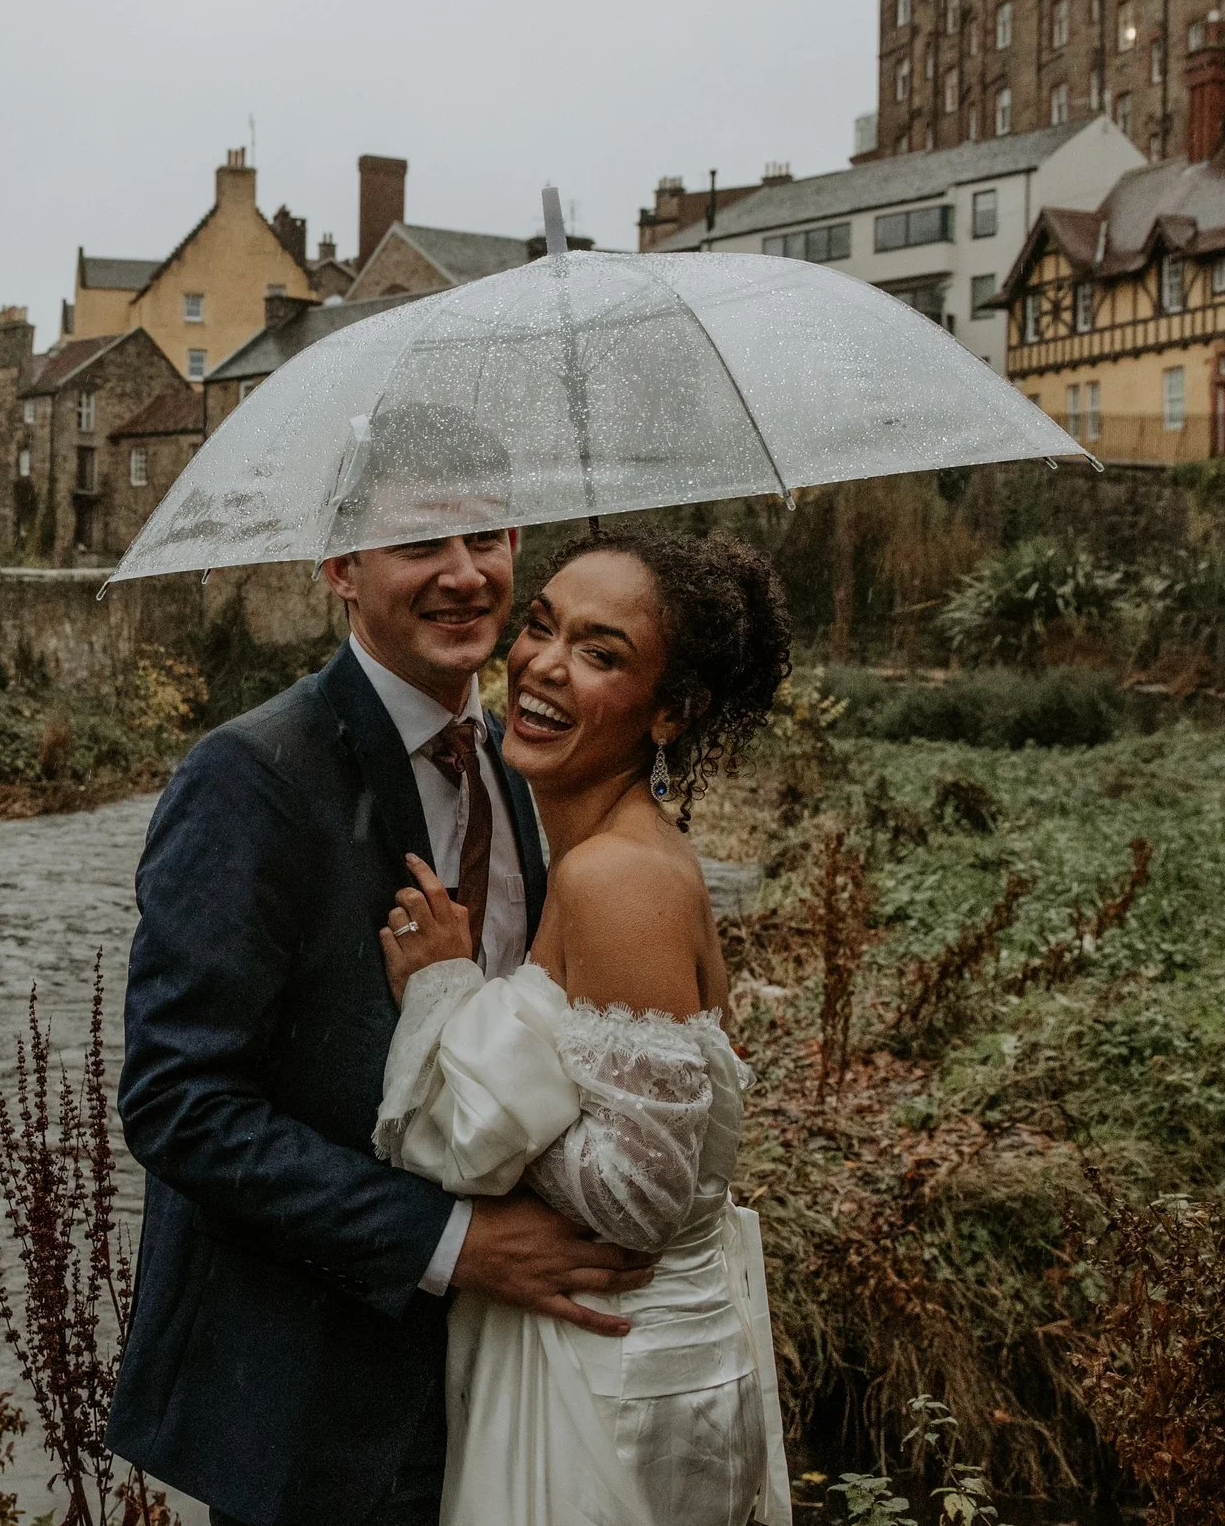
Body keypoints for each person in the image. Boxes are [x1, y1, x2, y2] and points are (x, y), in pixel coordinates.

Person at [107, 518, 657, 1526]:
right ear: (340, 569)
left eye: (483, 535)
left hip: (508, 1378)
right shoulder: (248, 777)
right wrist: (448, 1240)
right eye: (414, 540)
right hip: (325, 1401)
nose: (461, 572)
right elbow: (177, 1103)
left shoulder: (524, 757)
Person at [373, 530, 796, 1526]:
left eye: (601, 653)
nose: (544, 663)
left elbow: (639, 1192)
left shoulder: (618, 877)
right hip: (610, 1357)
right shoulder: (595, 850)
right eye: (542, 625)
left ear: (669, 712)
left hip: (620, 1381)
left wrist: (446, 1001)